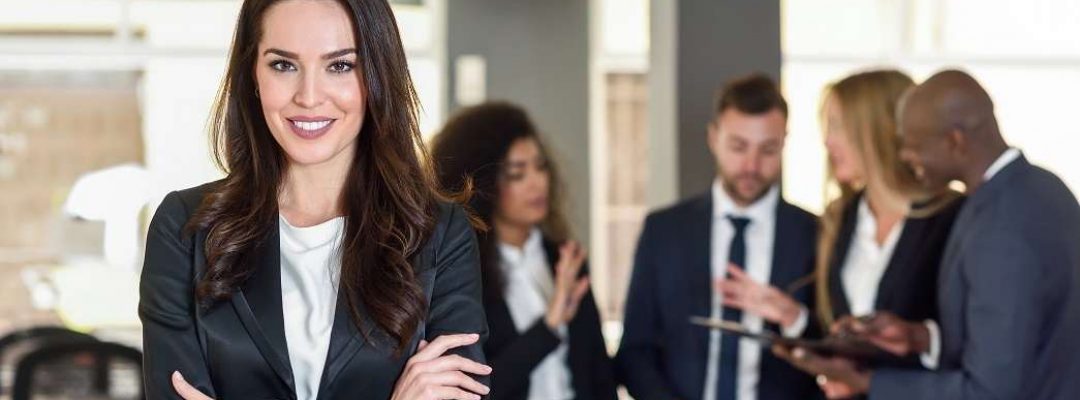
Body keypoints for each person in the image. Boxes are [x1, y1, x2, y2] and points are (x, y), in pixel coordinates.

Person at [139, 1, 490, 399]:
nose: (308, 96)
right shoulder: (184, 229)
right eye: (283, 65)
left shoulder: (439, 235)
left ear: (377, 75)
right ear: (252, 74)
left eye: (339, 66)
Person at [778, 70, 1080, 399]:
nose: (905, 156)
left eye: (914, 146)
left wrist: (868, 384)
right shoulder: (1043, 188)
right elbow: (1018, 333)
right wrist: (919, 337)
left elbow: (988, 392)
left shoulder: (1000, 224)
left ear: (955, 140)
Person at [716, 70, 964, 385]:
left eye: (837, 127)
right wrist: (793, 317)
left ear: (876, 130)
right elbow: (838, 336)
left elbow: (965, 345)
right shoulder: (840, 218)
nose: (827, 140)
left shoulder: (950, 218)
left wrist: (868, 380)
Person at [616, 74, 821, 400]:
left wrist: (794, 318)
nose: (752, 166)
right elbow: (635, 350)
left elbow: (834, 352)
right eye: (738, 147)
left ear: (784, 143)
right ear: (714, 138)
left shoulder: (815, 234)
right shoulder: (664, 230)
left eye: (768, 149)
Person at [430, 102, 618, 400]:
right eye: (517, 173)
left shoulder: (566, 261)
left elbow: (599, 375)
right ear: (484, 184)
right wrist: (549, 327)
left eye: (540, 167)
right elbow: (474, 391)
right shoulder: (462, 273)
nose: (537, 182)